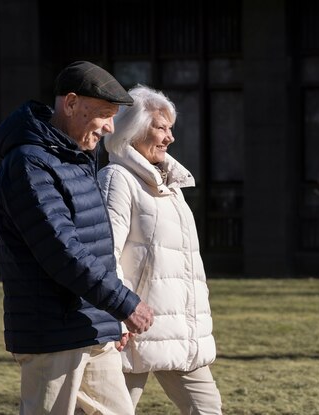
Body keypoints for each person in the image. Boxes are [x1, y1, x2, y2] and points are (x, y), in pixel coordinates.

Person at [0, 61, 154, 415]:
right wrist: (123, 305)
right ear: (71, 103)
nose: (110, 127)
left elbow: (95, 247)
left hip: (89, 326)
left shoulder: (75, 156)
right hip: (51, 332)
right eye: (104, 115)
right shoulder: (29, 164)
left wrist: (109, 318)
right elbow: (62, 250)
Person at [98, 84, 222, 414]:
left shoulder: (172, 187)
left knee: (208, 409)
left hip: (179, 335)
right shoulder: (117, 179)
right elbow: (105, 254)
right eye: (161, 128)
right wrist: (120, 317)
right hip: (131, 332)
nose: (170, 138)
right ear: (134, 129)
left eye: (171, 129)